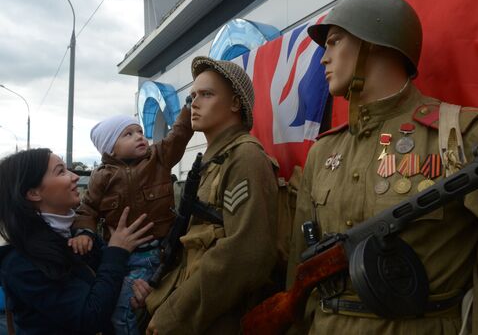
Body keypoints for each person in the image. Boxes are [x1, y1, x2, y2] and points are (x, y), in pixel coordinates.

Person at [286, 0, 478, 334]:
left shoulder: (467, 136)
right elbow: (299, 276)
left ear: (375, 43)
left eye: (335, 41)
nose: (324, 58)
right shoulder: (323, 153)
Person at [140, 56, 278, 334]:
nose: (195, 103)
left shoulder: (245, 158)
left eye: (207, 94)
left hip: (218, 319)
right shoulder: (210, 162)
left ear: (235, 103)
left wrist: (176, 313)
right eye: (192, 96)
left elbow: (245, 255)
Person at [0, 148, 154, 334]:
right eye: (61, 171)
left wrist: (131, 292)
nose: (74, 177)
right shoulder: (20, 263)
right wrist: (117, 251)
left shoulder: (77, 237)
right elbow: (89, 317)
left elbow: (105, 289)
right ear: (34, 193)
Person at [70, 105, 194, 334]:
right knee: (124, 303)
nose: (139, 137)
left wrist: (188, 109)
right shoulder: (101, 177)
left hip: (157, 252)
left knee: (128, 304)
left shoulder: (158, 158)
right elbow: (87, 210)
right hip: (119, 257)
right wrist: (84, 232)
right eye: (128, 134)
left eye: (139, 132)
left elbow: (179, 135)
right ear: (111, 149)